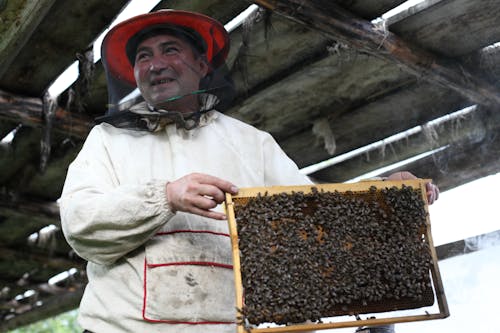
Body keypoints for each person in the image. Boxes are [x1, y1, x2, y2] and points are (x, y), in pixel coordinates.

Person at [59, 10, 439, 333]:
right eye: (143, 57)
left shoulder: (251, 142)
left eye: (169, 50)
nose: (154, 64)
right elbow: (80, 225)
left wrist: (382, 200)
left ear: (202, 65)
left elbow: (313, 221)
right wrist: (166, 196)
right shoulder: (107, 139)